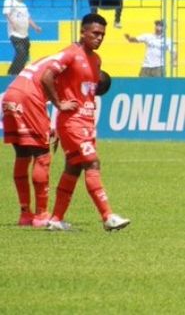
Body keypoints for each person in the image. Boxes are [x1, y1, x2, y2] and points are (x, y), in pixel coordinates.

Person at [44, 13, 130, 231]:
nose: (99, 38)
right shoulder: (70, 53)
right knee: (92, 162)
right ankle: (107, 217)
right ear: (83, 32)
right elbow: (46, 77)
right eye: (95, 33)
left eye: (102, 34)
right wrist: (59, 103)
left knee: (73, 168)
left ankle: (56, 219)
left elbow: (88, 92)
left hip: (86, 122)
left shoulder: (96, 60)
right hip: (72, 122)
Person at [2, 52, 65, 227]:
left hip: (10, 95)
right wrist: (58, 125)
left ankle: (25, 214)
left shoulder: (53, 58)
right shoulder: (72, 62)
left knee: (22, 155)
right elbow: (54, 89)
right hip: (29, 97)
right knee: (42, 156)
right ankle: (41, 214)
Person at [4, 0, 41, 74]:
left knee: (25, 55)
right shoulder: (9, 1)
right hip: (15, 33)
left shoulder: (23, 5)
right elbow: (6, 13)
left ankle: (19, 73)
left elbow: (28, 18)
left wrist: (35, 27)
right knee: (21, 53)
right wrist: (12, 24)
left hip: (25, 34)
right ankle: (11, 74)